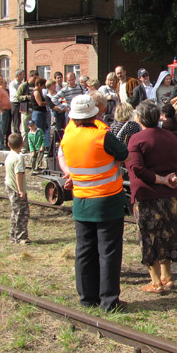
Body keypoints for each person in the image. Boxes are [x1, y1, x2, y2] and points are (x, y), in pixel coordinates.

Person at [58, 95, 129, 312]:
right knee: (108, 251)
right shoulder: (101, 135)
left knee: (84, 251)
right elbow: (123, 152)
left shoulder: (67, 137)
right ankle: (109, 302)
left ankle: (87, 298)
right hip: (107, 201)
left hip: (81, 201)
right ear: (94, 114)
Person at [127, 101, 177, 294]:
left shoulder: (136, 139)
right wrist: (173, 178)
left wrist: (161, 179)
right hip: (171, 196)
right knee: (168, 234)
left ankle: (155, 282)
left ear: (138, 118)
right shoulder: (170, 136)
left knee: (149, 236)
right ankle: (167, 276)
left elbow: (136, 168)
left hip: (147, 196)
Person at [4, 133, 30, 244]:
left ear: (8, 144)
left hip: (9, 185)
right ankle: (20, 237)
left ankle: (13, 235)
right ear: (22, 144)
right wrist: (21, 191)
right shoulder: (19, 158)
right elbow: (19, 174)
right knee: (22, 212)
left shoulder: (10, 155)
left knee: (15, 212)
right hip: (16, 188)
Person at [17, 71, 40, 147]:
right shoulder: (24, 85)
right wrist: (26, 97)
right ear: (30, 77)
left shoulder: (36, 86)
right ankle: (24, 147)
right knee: (24, 130)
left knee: (34, 129)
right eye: (34, 78)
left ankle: (33, 146)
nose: (35, 80)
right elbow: (17, 97)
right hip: (25, 111)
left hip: (34, 111)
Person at [31, 77, 50, 151]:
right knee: (38, 130)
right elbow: (40, 103)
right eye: (43, 86)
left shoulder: (39, 91)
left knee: (42, 130)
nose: (43, 88)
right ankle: (37, 147)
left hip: (41, 113)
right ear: (39, 85)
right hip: (38, 113)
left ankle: (42, 146)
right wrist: (48, 102)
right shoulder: (36, 92)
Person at [9, 69, 26, 135]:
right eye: (22, 75)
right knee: (16, 120)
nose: (23, 76)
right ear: (18, 75)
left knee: (21, 120)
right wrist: (23, 96)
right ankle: (16, 134)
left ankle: (20, 133)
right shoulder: (12, 84)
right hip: (15, 103)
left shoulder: (22, 84)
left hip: (21, 103)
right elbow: (16, 94)